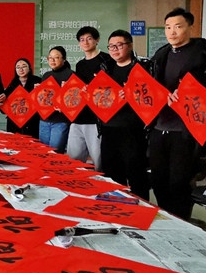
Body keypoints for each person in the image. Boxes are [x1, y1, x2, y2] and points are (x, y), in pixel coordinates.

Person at [150, 8, 206, 220]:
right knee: (158, 180)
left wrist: (190, 91)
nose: (172, 32)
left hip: (186, 128)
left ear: (190, 27)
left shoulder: (203, 54)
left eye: (178, 26)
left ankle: (181, 221)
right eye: (168, 27)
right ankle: (167, 218)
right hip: (160, 125)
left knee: (179, 181)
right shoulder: (162, 54)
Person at [99, 30, 151, 200]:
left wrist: (132, 95)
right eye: (111, 46)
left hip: (133, 129)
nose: (115, 49)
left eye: (119, 45)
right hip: (108, 127)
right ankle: (117, 206)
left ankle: (142, 207)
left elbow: (151, 96)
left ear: (130, 46)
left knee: (136, 173)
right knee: (111, 173)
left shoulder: (142, 68)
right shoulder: (106, 68)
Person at [68, 26, 110, 168]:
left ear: (97, 40)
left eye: (89, 39)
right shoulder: (80, 64)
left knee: (99, 160)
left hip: (96, 119)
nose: (85, 42)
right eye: (82, 40)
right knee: (74, 159)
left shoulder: (106, 60)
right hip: (78, 116)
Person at [39, 46, 73, 153]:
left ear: (64, 59)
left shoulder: (71, 75)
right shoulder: (46, 75)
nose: (52, 60)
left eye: (56, 57)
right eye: (50, 58)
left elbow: (75, 99)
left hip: (60, 121)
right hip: (44, 120)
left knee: (55, 154)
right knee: (42, 153)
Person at [3, 58, 41, 138]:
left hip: (32, 122)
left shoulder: (37, 81)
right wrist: (1, 101)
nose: (21, 69)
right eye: (18, 67)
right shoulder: (13, 84)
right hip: (14, 123)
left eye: (24, 66)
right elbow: (4, 106)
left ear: (29, 68)